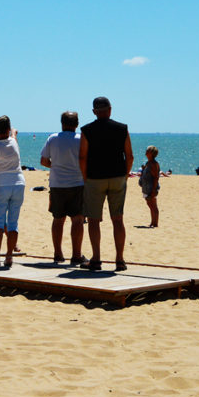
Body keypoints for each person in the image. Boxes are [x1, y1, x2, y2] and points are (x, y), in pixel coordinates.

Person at [79, 96, 134, 272]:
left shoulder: (87, 130)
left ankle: (96, 259)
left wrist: (85, 176)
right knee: (117, 219)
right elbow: (129, 155)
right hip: (117, 176)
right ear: (110, 109)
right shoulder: (122, 128)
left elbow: (82, 156)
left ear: (95, 112)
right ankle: (119, 259)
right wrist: (125, 174)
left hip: (94, 178)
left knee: (94, 220)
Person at [40, 111, 85, 265]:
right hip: (77, 183)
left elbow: (44, 161)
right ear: (77, 124)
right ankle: (76, 255)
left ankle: (58, 253)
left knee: (58, 220)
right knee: (77, 220)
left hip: (57, 184)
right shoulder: (81, 139)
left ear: (62, 123)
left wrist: (57, 165)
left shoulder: (53, 138)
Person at [0, 116, 25, 268]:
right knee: (13, 223)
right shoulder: (14, 142)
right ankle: (9, 256)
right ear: (8, 130)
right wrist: (12, 131)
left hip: (1, 185)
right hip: (19, 184)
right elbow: (13, 134)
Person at [139, 145, 161, 228]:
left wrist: (154, 190)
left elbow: (156, 177)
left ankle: (155, 223)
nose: (146, 153)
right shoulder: (148, 163)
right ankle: (153, 222)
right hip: (146, 187)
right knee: (150, 204)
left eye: (147, 151)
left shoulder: (154, 164)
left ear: (151, 153)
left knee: (153, 204)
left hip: (151, 187)